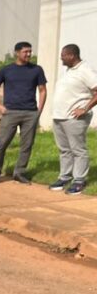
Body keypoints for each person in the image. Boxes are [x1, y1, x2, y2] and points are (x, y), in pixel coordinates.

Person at [0, 41, 46, 185]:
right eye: (25, 51)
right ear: (17, 52)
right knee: (2, 143)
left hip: (30, 113)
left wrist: (39, 110)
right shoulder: (6, 70)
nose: (28, 54)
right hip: (10, 112)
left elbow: (42, 90)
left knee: (26, 144)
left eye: (30, 51)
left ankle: (19, 172)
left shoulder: (37, 70)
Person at [49, 44, 97, 195]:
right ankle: (64, 177)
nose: (61, 58)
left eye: (63, 55)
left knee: (78, 149)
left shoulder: (85, 71)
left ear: (72, 56)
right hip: (59, 116)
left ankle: (79, 180)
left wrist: (85, 108)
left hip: (74, 118)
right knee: (64, 149)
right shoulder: (69, 71)